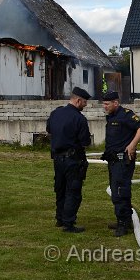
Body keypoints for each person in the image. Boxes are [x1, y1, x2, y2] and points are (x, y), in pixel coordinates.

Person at [101, 91, 140, 237]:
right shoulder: (112, 117)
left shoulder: (125, 114)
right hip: (113, 161)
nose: (104, 106)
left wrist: (132, 145)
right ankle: (125, 219)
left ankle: (122, 224)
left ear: (116, 103)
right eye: (104, 103)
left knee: (120, 192)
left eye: (107, 104)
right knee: (118, 190)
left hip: (122, 160)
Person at [46, 86, 92, 233]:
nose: (85, 106)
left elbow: (49, 129)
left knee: (60, 189)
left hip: (57, 159)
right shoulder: (79, 118)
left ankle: (60, 218)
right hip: (73, 159)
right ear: (78, 101)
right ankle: (68, 223)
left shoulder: (55, 113)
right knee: (73, 190)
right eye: (84, 102)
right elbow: (85, 142)